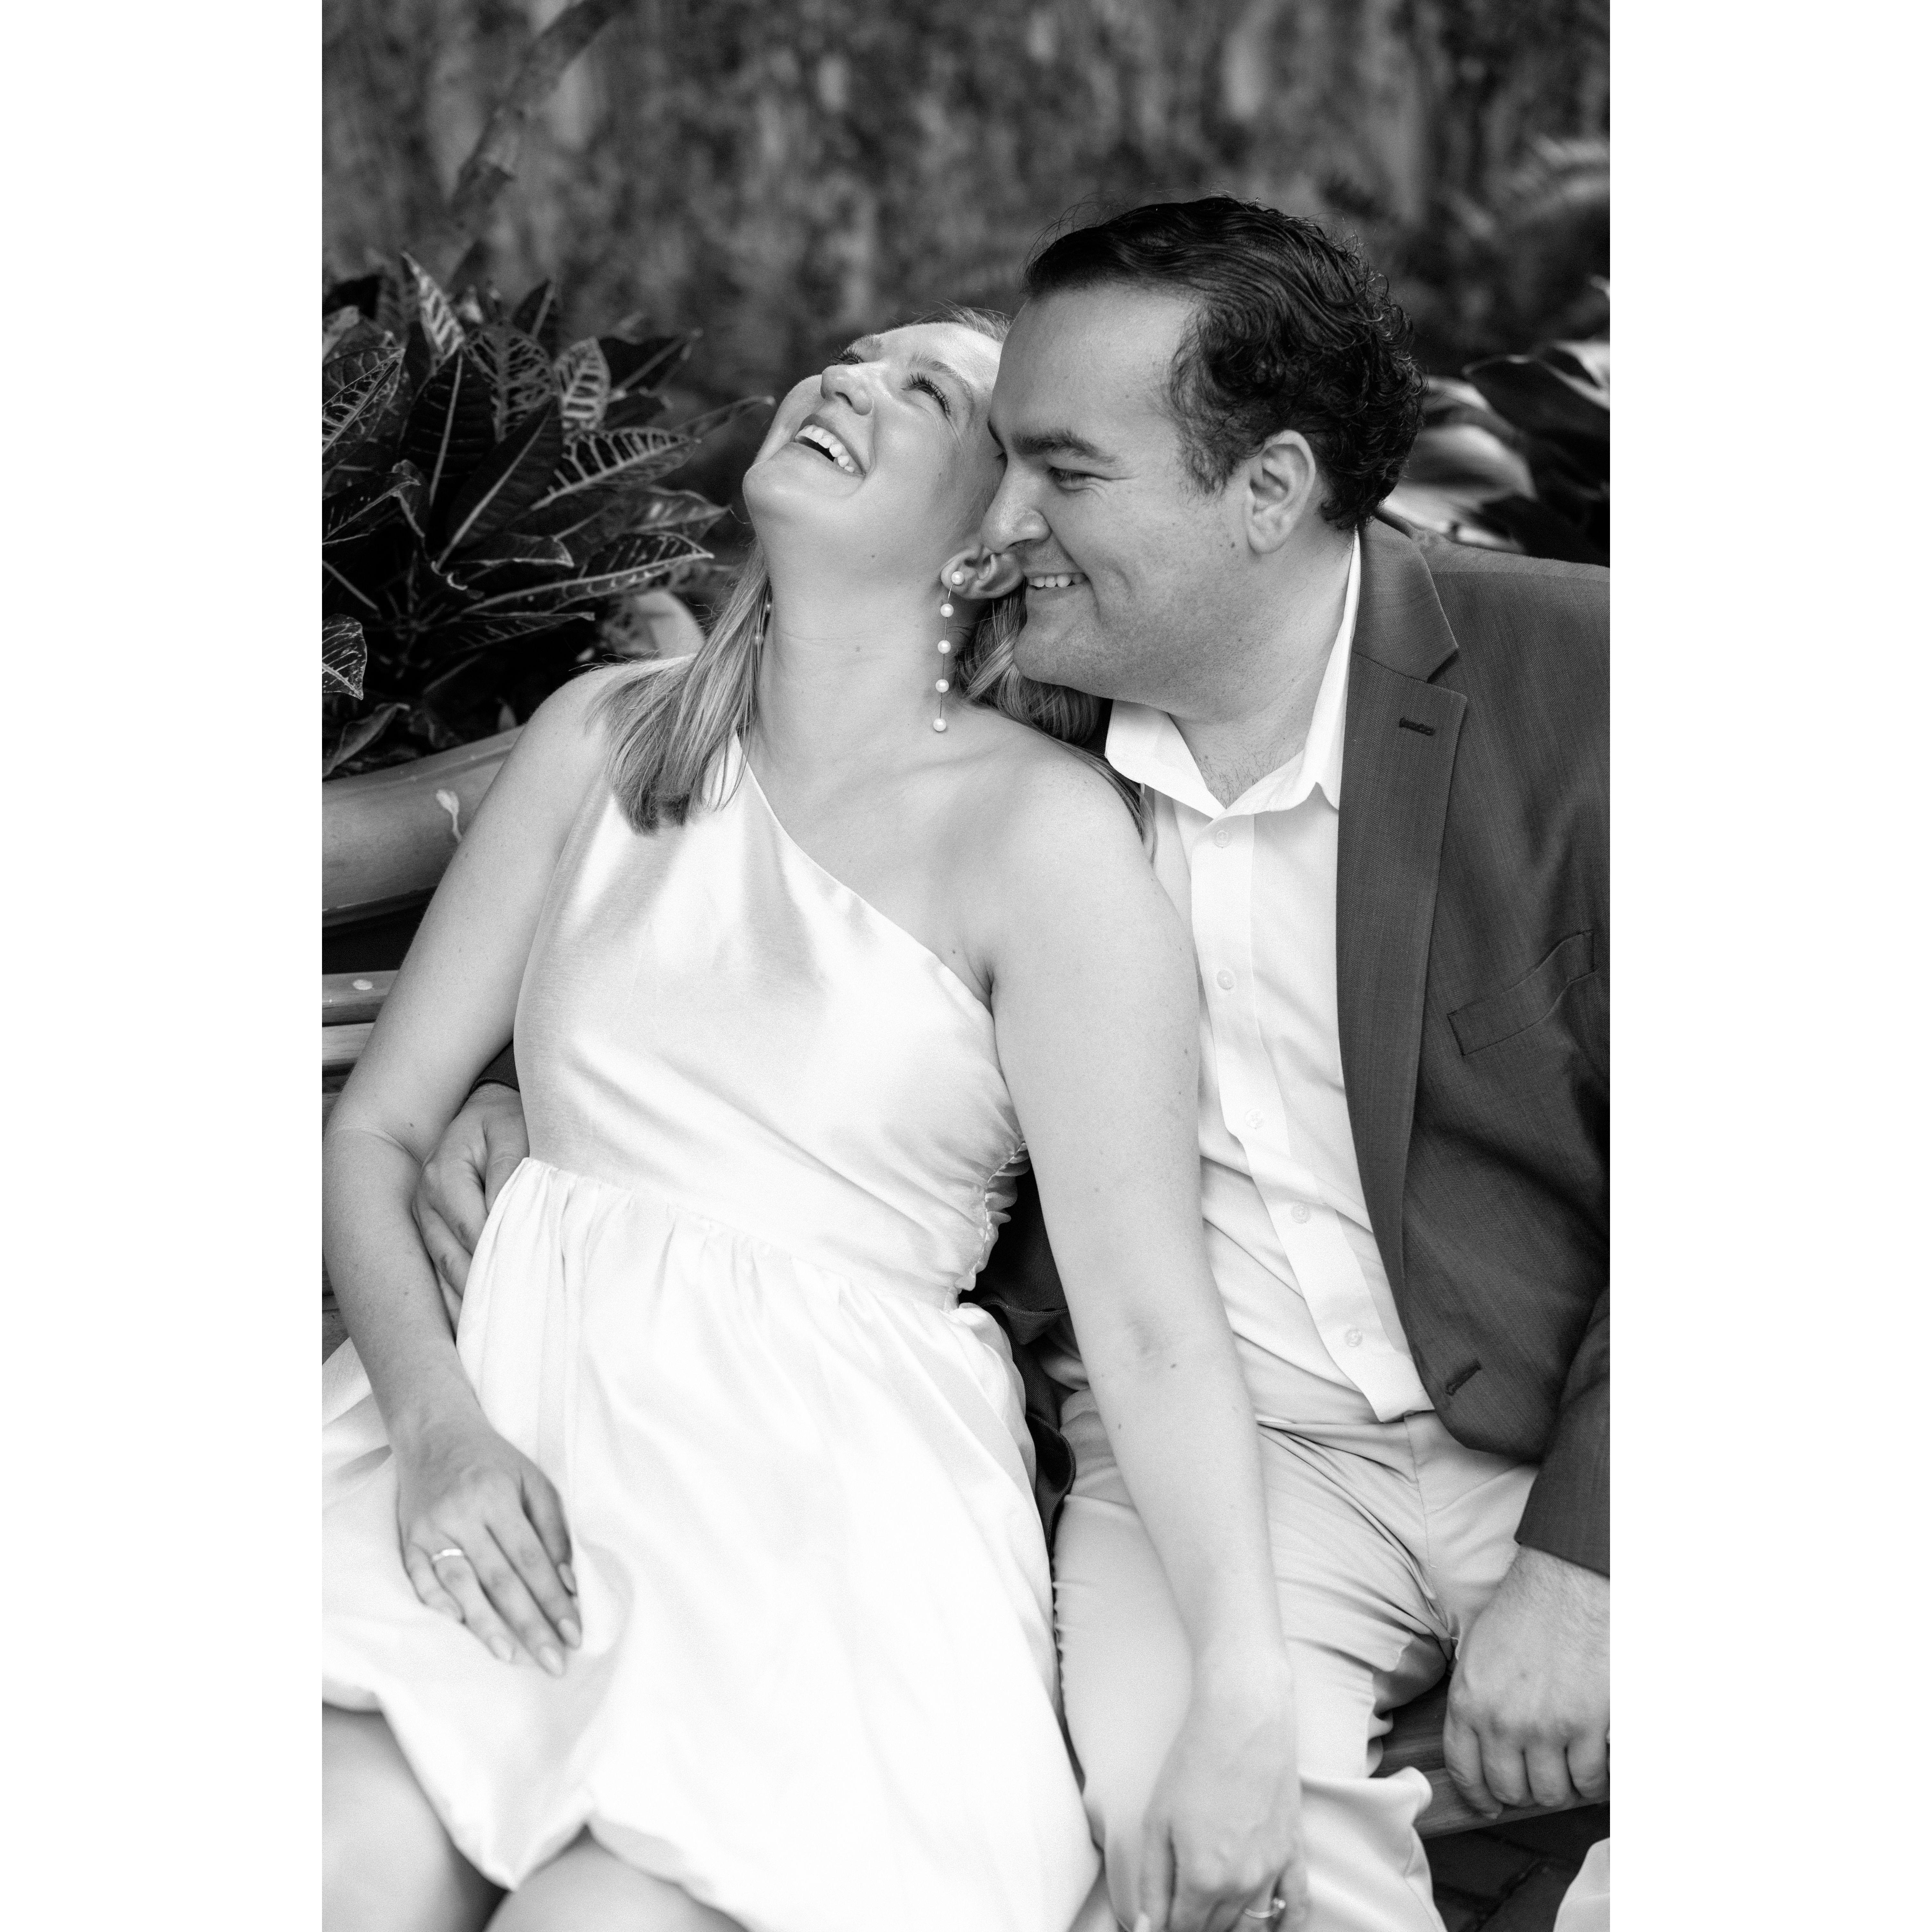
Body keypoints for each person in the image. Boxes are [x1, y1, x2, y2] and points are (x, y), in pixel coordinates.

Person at [421, 202, 1610, 1932]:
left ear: (1266, 492)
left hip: (1562, 1427)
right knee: (1192, 1863)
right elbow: (771, 913)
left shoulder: (1586, 685)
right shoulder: (1033, 714)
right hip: (1235, 1464)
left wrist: (1592, 1556)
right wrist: (525, 1082)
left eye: (1063, 469)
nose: (1006, 517)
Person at [323, 308, 1309, 1932]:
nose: (849, 384)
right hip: (501, 1432)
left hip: (805, 1518)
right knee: (324, 1864)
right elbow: (374, 1134)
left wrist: (1245, 1682)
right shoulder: (607, 736)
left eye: (926, 396)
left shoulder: (1044, 838)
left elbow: (1149, 1324)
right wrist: (440, 1433)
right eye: (852, 359)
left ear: (994, 541)